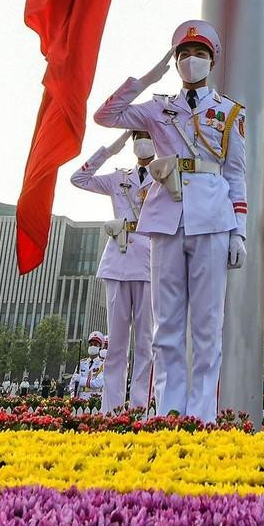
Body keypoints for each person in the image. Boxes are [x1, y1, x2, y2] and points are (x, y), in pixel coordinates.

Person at [93, 19, 249, 423]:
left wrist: (239, 232)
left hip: (213, 218)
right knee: (166, 325)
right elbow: (105, 116)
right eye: (184, 55)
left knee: (207, 324)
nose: (191, 61)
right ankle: (169, 410)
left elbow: (235, 175)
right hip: (164, 217)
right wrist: (144, 79)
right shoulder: (159, 106)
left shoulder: (229, 112)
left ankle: (201, 414)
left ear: (211, 60)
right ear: (175, 61)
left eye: (199, 54)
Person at [69, 129, 157, 413]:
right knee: (116, 344)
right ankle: (112, 410)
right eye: (138, 136)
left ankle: (140, 409)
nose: (142, 141)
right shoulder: (120, 178)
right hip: (118, 261)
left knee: (145, 342)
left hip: (149, 261)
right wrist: (111, 148)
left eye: (148, 135)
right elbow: (79, 179)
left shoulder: (166, 174)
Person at [70, 331, 105, 401]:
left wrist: (81, 380)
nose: (92, 346)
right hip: (79, 399)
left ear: (100, 347)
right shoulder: (82, 363)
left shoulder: (103, 364)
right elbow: (73, 383)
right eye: (91, 344)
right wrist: (73, 396)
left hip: (94, 399)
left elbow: (98, 383)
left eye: (95, 345)